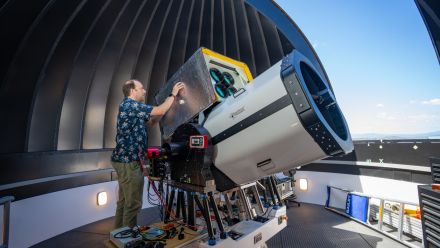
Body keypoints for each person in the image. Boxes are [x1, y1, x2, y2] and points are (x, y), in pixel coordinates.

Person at [111, 79, 184, 228]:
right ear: (132, 91)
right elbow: (160, 111)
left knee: (124, 201)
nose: (144, 91)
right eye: (141, 88)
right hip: (129, 162)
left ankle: (118, 234)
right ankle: (128, 239)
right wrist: (172, 95)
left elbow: (152, 121)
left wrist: (165, 103)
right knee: (133, 204)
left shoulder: (131, 107)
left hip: (124, 161)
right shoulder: (130, 105)